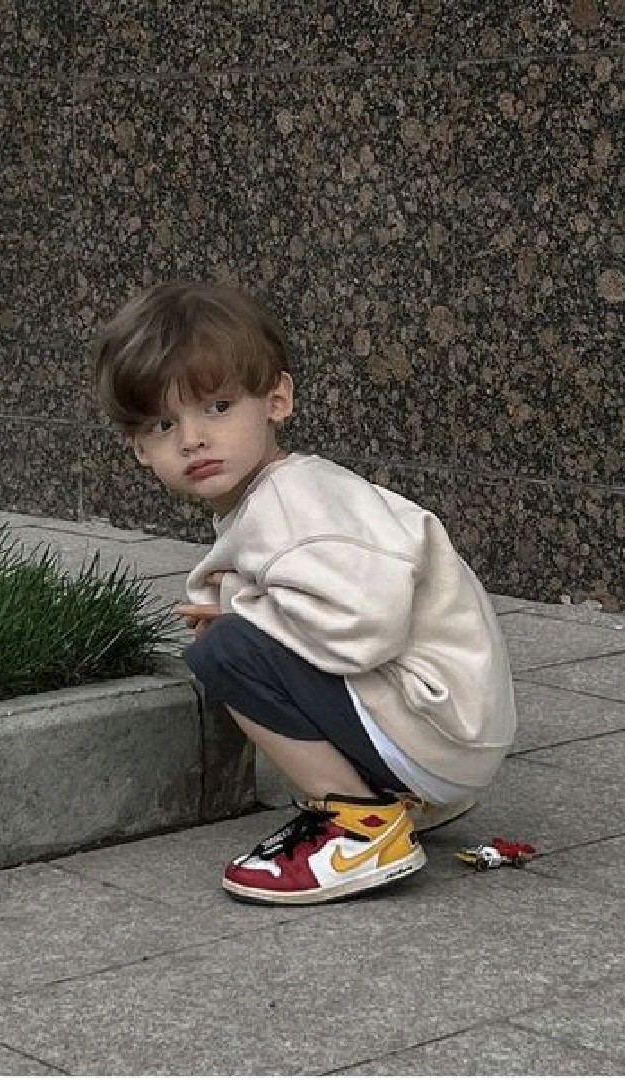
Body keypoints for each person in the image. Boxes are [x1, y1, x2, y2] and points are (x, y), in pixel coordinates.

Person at [93, 281, 517, 905]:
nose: (192, 439)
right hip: (455, 732)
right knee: (240, 640)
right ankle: (397, 795)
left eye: (218, 407)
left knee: (224, 653)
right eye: (164, 424)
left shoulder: (292, 502)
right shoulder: (282, 494)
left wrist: (243, 618)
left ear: (277, 400)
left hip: (439, 726)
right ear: (139, 449)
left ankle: (362, 826)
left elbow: (364, 624)